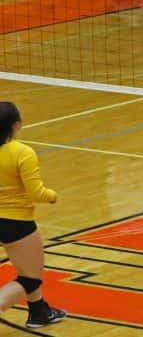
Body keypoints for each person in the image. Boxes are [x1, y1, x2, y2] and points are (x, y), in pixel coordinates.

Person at [0, 102, 67, 329]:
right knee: (30, 278)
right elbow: (36, 193)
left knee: (26, 268)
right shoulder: (22, 152)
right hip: (16, 222)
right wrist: (53, 196)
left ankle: (39, 312)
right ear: (16, 125)